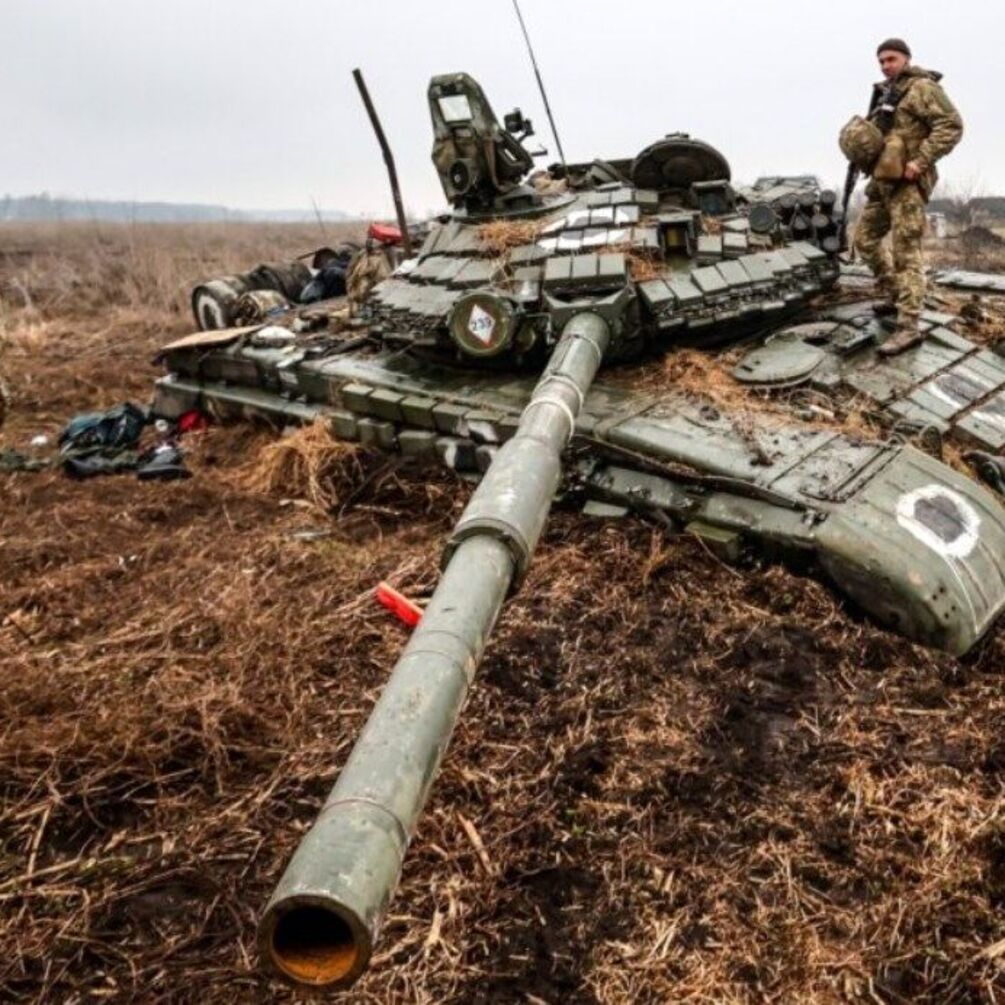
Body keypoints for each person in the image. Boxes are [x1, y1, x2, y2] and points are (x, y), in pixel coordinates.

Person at [854, 38, 963, 355]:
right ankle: (896, 292)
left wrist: (921, 161)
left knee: (906, 253)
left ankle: (908, 327)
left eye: (891, 59)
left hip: (908, 183)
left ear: (906, 58)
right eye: (881, 61)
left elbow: (951, 125)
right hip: (883, 183)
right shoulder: (886, 93)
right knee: (864, 239)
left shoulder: (922, 88)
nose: (886, 65)